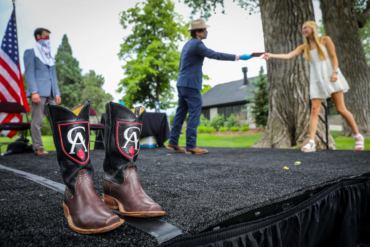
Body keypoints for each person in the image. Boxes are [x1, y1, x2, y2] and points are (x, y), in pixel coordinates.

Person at [262, 21, 364, 152]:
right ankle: (311, 142)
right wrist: (271, 55)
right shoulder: (304, 47)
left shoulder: (325, 40)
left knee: (341, 109)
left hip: (331, 76)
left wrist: (335, 72)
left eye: (305, 27)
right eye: (302, 28)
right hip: (316, 81)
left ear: (312, 28)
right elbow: (288, 56)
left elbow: (334, 57)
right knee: (314, 110)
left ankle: (357, 135)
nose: (303, 30)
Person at [167, 19, 254, 154]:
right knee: (194, 112)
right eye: (204, 30)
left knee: (180, 113)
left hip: (182, 83)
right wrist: (239, 57)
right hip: (191, 85)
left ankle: (173, 142)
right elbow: (216, 55)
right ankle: (191, 145)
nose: (206, 32)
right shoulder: (197, 44)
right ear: (198, 32)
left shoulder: (187, 45)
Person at [24, 28, 61, 156]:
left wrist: (57, 93)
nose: (48, 40)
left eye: (49, 37)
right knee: (37, 121)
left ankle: (61, 147)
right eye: (45, 37)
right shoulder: (30, 52)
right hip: (38, 93)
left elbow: (53, 76)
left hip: (51, 93)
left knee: (57, 121)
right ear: (38, 36)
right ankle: (38, 148)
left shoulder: (49, 56)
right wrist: (34, 91)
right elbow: (29, 73)